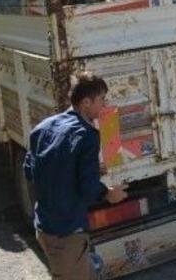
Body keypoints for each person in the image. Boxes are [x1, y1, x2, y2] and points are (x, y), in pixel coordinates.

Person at [24, 72, 129, 280]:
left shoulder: (44, 127)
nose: (104, 105)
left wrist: (69, 173)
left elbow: (30, 170)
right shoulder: (87, 135)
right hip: (67, 234)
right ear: (86, 102)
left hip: (45, 226)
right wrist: (109, 194)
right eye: (101, 100)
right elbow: (89, 189)